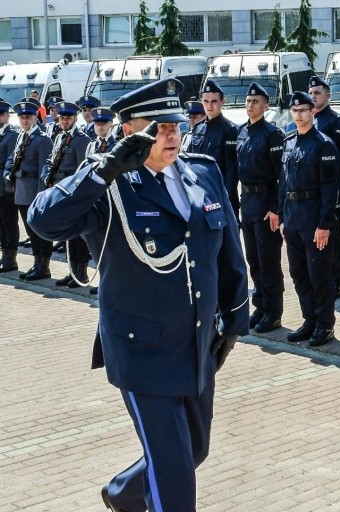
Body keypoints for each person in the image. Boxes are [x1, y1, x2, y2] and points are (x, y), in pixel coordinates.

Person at [27, 76, 249, 511]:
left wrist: (236, 321)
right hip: (143, 350)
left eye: (176, 125)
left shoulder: (202, 171)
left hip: (197, 343)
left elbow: (230, 254)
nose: (172, 135)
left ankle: (122, 493)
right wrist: (104, 168)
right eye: (158, 127)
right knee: (174, 475)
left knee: (194, 451)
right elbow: (43, 221)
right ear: (129, 131)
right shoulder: (108, 186)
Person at [278, 91, 339, 346]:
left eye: (303, 110)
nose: (299, 115)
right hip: (293, 219)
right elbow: (284, 183)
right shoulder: (289, 141)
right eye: (295, 111)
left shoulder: (324, 144)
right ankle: (309, 320)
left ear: (313, 112)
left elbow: (329, 187)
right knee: (299, 274)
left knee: (319, 275)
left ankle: (325, 325)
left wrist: (324, 223)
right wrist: (282, 217)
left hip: (314, 220)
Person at [236, 82, 286, 333]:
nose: (250, 106)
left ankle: (273, 312)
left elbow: (282, 175)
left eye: (256, 102)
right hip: (248, 202)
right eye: (248, 101)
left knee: (269, 262)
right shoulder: (242, 132)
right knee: (253, 260)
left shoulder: (272, 134)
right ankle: (260, 306)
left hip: (267, 202)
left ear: (266, 106)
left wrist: (277, 207)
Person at [308, 75, 340, 300]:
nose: (314, 97)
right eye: (312, 93)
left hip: (332, 187)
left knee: (334, 236)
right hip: (313, 190)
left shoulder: (337, 122)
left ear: (328, 96)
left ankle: (339, 280)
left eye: (318, 93)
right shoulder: (308, 119)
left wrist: (338, 189)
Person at [40, 101, 90, 287]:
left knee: (78, 235)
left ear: (75, 118)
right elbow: (50, 160)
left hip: (73, 194)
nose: (64, 121)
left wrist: (64, 180)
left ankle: (81, 273)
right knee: (68, 235)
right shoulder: (59, 137)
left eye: (68, 118)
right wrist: (46, 175)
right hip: (60, 191)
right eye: (62, 118)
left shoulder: (82, 139)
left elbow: (82, 170)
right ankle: (72, 271)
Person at [3, 98, 53, 280]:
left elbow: (45, 169)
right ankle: (36, 263)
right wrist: (8, 173)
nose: (25, 120)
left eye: (29, 116)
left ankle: (44, 266)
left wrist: (42, 197)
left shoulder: (42, 140)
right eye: (22, 117)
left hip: (35, 192)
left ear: (35, 117)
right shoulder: (21, 137)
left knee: (40, 230)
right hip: (21, 192)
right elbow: (11, 158)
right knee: (31, 231)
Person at [185, 80, 240, 217]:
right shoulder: (198, 128)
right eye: (206, 101)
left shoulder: (230, 130)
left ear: (223, 101)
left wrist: (224, 198)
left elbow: (231, 169)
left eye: (214, 101)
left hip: (220, 195)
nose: (209, 105)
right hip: (199, 194)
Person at [84, 106, 118, 296]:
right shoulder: (91, 146)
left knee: (113, 243)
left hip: (113, 200)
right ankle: (102, 278)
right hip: (96, 200)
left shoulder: (118, 146)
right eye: (97, 123)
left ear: (111, 125)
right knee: (97, 243)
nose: (100, 127)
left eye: (103, 123)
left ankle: (113, 280)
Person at [0, 99, 19, 272]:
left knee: (9, 221)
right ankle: (4, 253)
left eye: (1, 114)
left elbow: (11, 161)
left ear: (6, 115)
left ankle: (11, 258)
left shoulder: (12, 135)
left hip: (5, 184)